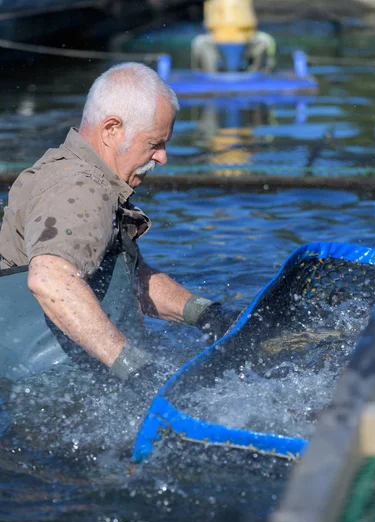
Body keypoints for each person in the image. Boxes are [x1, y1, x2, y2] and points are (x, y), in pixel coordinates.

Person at [0, 62, 238, 384]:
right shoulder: (80, 187)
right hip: (53, 388)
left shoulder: (87, 178)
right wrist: (138, 370)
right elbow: (51, 280)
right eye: (154, 143)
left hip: (69, 377)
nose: (163, 157)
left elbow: (126, 279)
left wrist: (209, 315)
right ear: (112, 129)